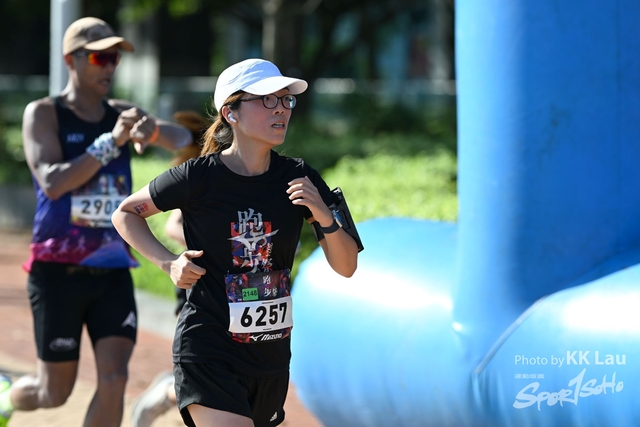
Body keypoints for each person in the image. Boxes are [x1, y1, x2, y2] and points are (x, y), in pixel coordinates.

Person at [111, 58, 360, 427]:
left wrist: (323, 215)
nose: (281, 109)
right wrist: (168, 263)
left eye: (286, 100)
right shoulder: (198, 177)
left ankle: (167, 393)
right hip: (208, 347)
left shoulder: (300, 177)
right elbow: (126, 213)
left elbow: (347, 266)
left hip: (270, 355)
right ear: (231, 113)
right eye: (267, 100)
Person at [0, 17, 192, 427]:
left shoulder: (120, 113)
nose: (109, 66)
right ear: (71, 60)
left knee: (115, 378)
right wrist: (111, 143)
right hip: (58, 272)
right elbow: (52, 182)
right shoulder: (44, 113)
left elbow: (182, 139)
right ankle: (6, 396)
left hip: (111, 269)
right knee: (54, 392)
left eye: (115, 58)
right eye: (99, 57)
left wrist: (152, 130)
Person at [129, 110, 207, 427]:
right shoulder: (202, 170)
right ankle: (165, 394)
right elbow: (173, 225)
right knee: (203, 378)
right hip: (197, 282)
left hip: (241, 289)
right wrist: (221, 245)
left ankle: (170, 391)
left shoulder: (257, 173)